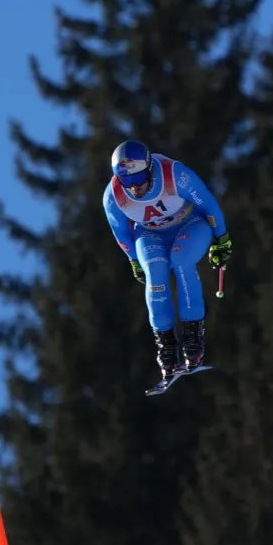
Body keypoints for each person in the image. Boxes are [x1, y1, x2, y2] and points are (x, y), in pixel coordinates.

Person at [103, 139, 233, 381]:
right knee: (155, 272)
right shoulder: (113, 196)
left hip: (190, 224)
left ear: (150, 168)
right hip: (150, 233)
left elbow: (208, 204)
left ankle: (193, 339)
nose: (134, 187)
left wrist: (221, 239)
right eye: (126, 180)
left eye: (138, 178)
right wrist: (133, 259)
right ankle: (167, 349)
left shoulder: (175, 175)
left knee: (181, 260)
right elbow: (121, 232)